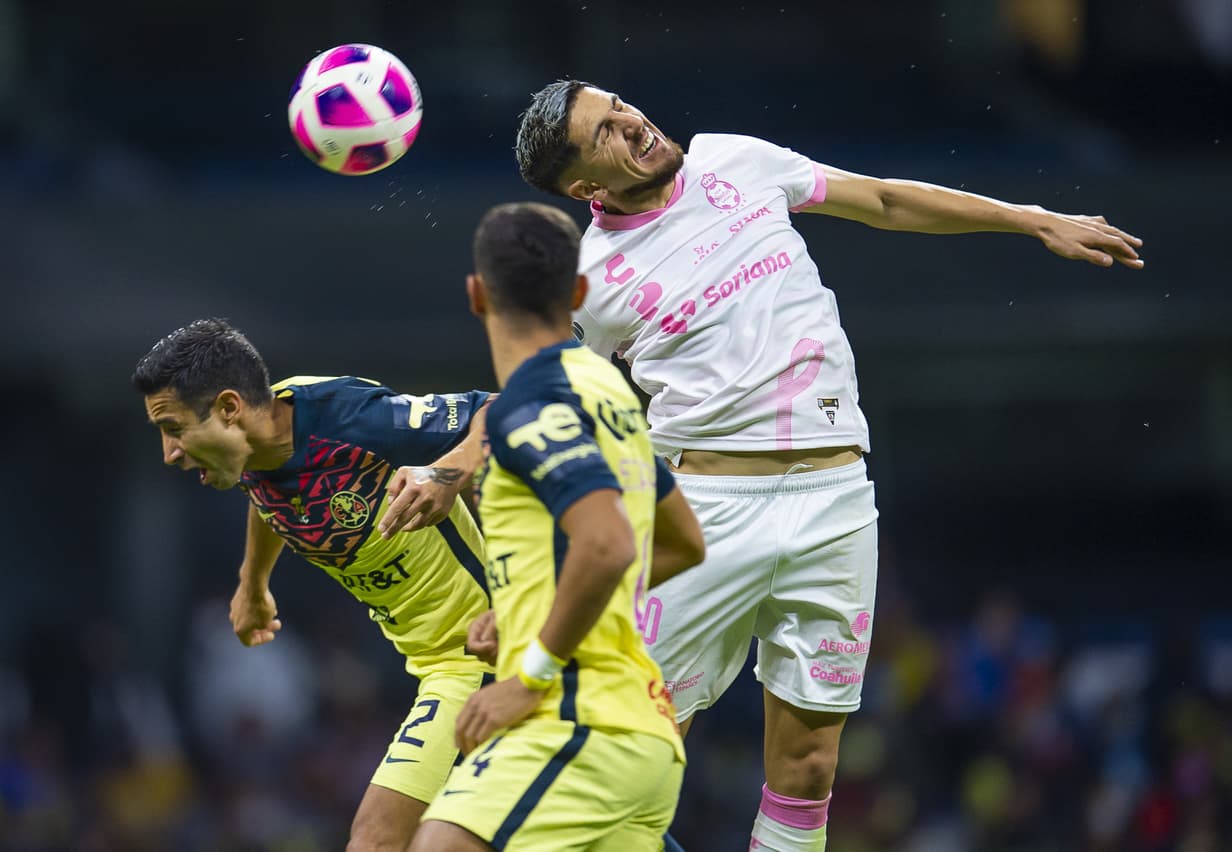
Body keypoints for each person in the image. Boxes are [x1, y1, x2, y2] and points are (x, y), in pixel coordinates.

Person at [514, 80, 1145, 850]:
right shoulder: (592, 274)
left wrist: (1029, 218)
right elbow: (545, 388)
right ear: (583, 186)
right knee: (635, 744)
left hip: (837, 501)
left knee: (809, 767)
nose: (633, 122)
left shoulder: (733, 158)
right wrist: (452, 467)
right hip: (707, 515)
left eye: (621, 106)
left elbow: (880, 200)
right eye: (606, 131)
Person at [132, 317, 497, 852]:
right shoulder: (254, 448)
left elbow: (512, 404)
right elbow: (268, 496)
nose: (169, 453)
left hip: (488, 656)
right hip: (438, 667)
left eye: (175, 428)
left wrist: (448, 471)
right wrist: (252, 583)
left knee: (377, 839)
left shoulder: (348, 420)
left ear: (230, 408)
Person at [408, 202, 706, 851]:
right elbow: (682, 541)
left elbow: (608, 542)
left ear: (476, 294)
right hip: (642, 736)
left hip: (574, 719)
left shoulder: (530, 403)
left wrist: (531, 672)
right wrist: (524, 613)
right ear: (578, 292)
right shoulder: (608, 393)